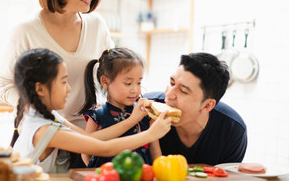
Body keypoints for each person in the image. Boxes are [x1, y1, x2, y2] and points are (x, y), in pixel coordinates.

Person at [0, 0, 114, 129]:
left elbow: (112, 75)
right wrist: (34, 107)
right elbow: (4, 84)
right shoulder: (25, 31)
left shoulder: (97, 25)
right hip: (43, 135)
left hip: (88, 136)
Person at [11, 48, 172, 173]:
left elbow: (91, 138)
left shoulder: (49, 116)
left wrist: (134, 121)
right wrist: (150, 134)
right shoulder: (45, 131)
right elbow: (103, 148)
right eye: (63, 82)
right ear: (40, 89)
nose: (68, 89)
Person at [144, 52, 247, 165]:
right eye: (172, 83)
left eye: (183, 91)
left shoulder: (232, 130)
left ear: (207, 106)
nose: (169, 95)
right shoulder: (145, 109)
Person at [79, 48, 160, 167]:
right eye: (128, 83)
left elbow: (155, 151)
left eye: (139, 83)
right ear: (105, 82)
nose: (135, 90)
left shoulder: (146, 113)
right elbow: (85, 152)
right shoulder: (96, 116)